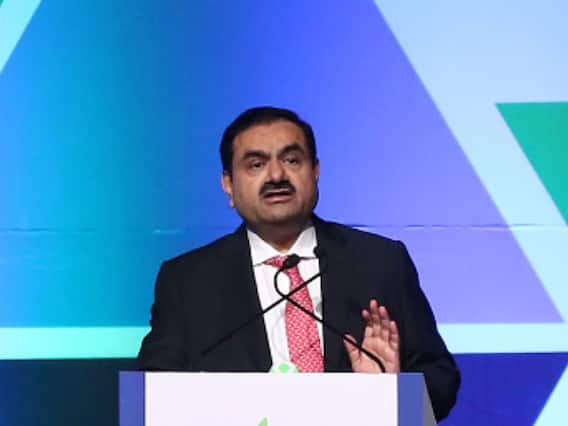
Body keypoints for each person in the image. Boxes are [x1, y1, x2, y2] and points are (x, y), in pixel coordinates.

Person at [138, 106, 460, 421]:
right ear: (228, 184)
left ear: (315, 171)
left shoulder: (380, 262)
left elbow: (441, 379)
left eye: (292, 160)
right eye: (256, 164)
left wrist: (389, 393)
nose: (277, 175)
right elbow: (152, 396)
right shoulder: (188, 282)